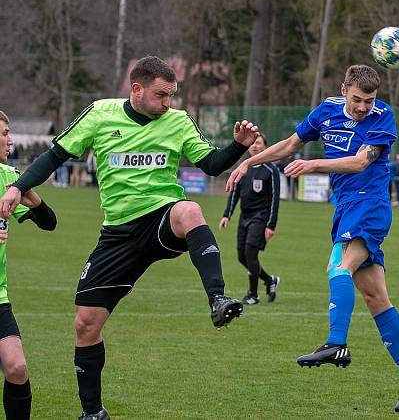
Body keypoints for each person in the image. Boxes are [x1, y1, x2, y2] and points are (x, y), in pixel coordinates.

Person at [0, 56, 256, 419]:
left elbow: (211, 164)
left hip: (160, 220)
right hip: (117, 234)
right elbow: (55, 156)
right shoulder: (100, 114)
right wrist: (17, 188)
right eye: (161, 95)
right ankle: (92, 412)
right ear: (136, 90)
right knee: (85, 323)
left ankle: (217, 299)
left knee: (190, 210)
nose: (168, 103)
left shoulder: (178, 121)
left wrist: (238, 146)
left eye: (171, 95)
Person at [226, 65, 399, 412]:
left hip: (369, 205)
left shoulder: (383, 116)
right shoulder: (326, 111)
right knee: (375, 297)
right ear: (343, 90)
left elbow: (361, 162)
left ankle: (336, 342)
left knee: (337, 268)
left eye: (369, 99)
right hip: (346, 208)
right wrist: (248, 162)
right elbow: (290, 145)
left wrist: (313, 165)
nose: (364, 106)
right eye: (357, 99)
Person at [0, 111, 58, 420]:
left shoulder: (9, 179)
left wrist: (32, 198)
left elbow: (50, 223)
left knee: (17, 367)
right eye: (4, 133)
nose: (10, 139)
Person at [219, 135, 281, 305]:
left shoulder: (271, 170)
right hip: (244, 217)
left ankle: (253, 295)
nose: (254, 146)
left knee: (250, 254)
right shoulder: (243, 168)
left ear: (265, 146)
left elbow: (275, 199)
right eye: (252, 143)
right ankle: (269, 280)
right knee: (241, 257)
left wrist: (271, 225)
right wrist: (227, 215)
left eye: (258, 143)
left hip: (260, 218)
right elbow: (234, 193)